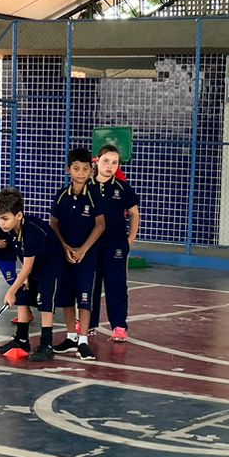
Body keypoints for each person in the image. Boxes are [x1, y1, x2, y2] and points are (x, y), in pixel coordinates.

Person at [0, 187, 63, 361]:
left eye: (5, 218)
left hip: (50, 266)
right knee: (23, 296)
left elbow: (28, 265)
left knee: (45, 301)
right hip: (33, 264)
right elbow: (22, 256)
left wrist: (11, 290)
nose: (1, 223)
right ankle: (22, 340)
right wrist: (23, 282)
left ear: (19, 215)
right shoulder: (10, 229)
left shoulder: (31, 231)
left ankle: (46, 344)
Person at [49, 147, 105, 359]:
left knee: (84, 298)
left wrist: (83, 250)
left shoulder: (94, 197)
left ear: (91, 171)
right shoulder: (61, 196)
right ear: (68, 170)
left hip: (86, 257)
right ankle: (71, 337)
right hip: (65, 256)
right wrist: (64, 247)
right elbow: (54, 224)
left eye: (85, 169)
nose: (80, 173)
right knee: (65, 297)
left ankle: (83, 340)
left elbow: (100, 225)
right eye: (76, 168)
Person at [87, 143, 141, 342]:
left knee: (116, 285)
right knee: (90, 284)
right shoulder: (86, 186)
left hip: (116, 244)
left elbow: (134, 213)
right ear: (97, 161)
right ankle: (87, 323)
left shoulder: (123, 188)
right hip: (91, 245)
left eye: (115, 163)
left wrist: (130, 239)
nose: (110, 166)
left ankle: (119, 326)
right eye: (106, 161)